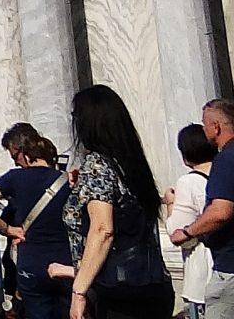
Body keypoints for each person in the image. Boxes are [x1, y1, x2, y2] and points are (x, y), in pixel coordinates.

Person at [65, 85, 173, 319]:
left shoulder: (97, 164)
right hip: (152, 283)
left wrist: (79, 292)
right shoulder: (132, 165)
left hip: (117, 290)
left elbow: (103, 230)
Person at [172, 101, 234, 319]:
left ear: (216, 127)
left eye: (205, 124)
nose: (203, 130)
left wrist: (187, 232)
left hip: (233, 268)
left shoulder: (226, 159)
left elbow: (221, 211)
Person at [0, 124, 71, 319]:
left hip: (31, 266)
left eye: (14, 157)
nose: (16, 163)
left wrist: (8, 229)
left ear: (23, 151)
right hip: (65, 264)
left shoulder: (15, 178)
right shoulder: (67, 181)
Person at [165, 126, 218, 319]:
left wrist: (170, 203)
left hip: (204, 273)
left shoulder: (188, 183)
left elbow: (178, 235)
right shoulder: (227, 172)